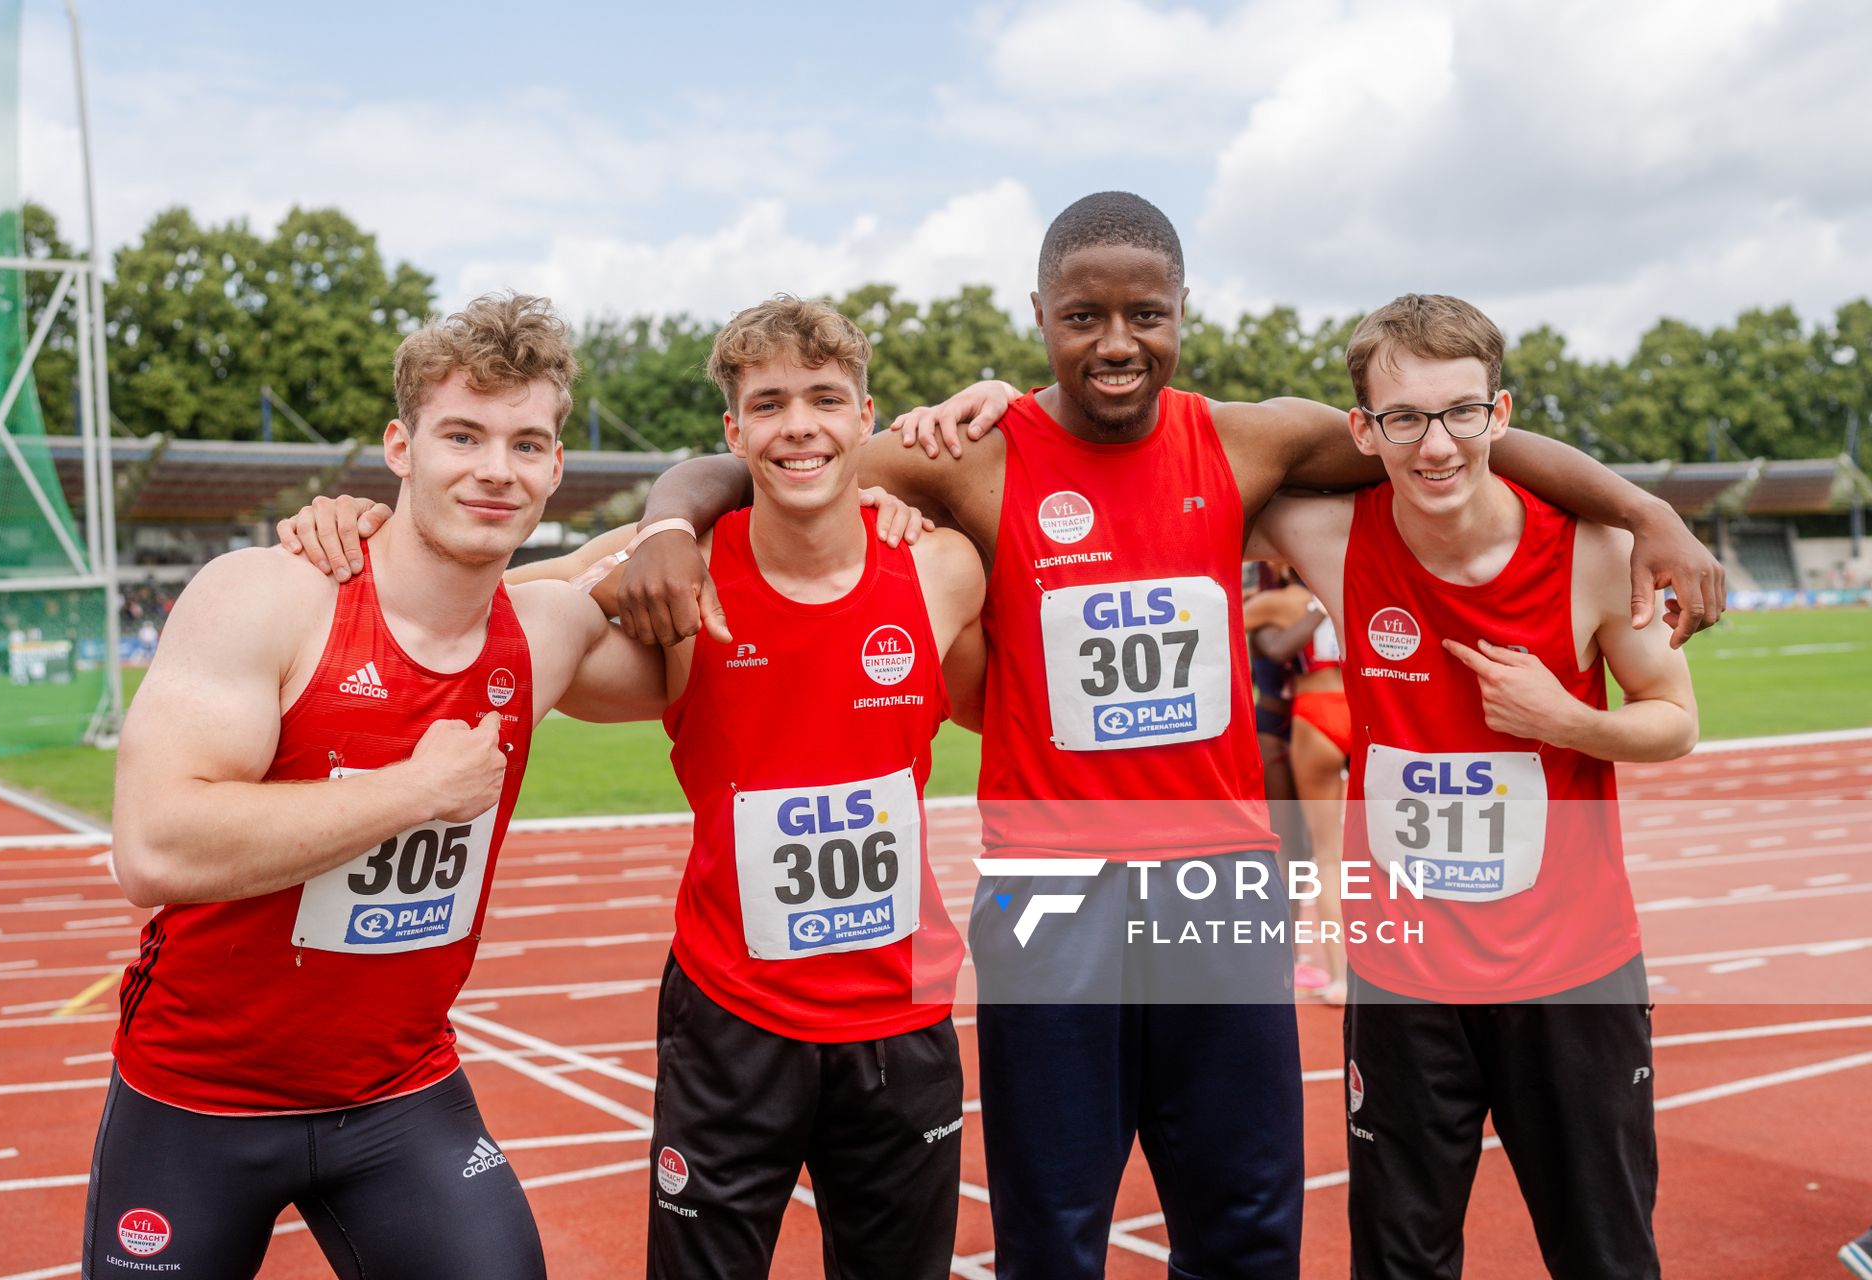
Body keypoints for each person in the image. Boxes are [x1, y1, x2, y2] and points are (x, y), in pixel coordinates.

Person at [284, 194, 1725, 1278]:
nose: (1117, 343)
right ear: (1038, 315)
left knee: (1248, 1213)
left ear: (1181, 312)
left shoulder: (1248, 440)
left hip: (1214, 879)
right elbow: (769, 451)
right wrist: (667, 515)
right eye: (1084, 314)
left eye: (1144, 313)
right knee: (1051, 1219)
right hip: (1051, 891)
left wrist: (1648, 510)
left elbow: (1449, 430)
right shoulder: (974, 456)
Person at [283, 296, 987, 1280]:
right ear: (734, 433)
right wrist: (362, 523)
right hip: (731, 1020)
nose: (801, 424)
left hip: (902, 1023)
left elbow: (1033, 499)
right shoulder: (674, 588)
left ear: (865, 418)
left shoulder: (944, 569)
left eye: (827, 399)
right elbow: (494, 594)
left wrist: (999, 395)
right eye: (770, 403)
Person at [88, 295, 665, 1278]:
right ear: (400, 446)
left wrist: (858, 490)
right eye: (461, 434)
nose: (495, 468)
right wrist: (413, 790)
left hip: (400, 1092)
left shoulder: (549, 632)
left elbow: (723, 604)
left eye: (528, 443)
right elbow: (153, 848)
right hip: (199, 1098)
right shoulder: (269, 594)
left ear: (556, 468)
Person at [1250, 292, 1699, 1279]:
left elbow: (1675, 714)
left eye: (1460, 412)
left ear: (1502, 415)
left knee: (1607, 1254)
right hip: (1407, 976)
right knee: (1399, 1259)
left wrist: (1572, 722)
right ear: (1365, 431)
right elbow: (1164, 455)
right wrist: (994, 401)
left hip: (1573, 975)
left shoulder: (1594, 551)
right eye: (1403, 418)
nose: (1436, 445)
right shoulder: (1331, 536)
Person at [1245, 570, 1348, 1002]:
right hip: (1360, 705)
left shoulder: (1280, 602)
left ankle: (1339, 975)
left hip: (1315, 712)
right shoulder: (1349, 584)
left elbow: (1217, 614)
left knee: (1326, 858)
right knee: (1367, 852)